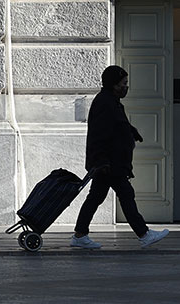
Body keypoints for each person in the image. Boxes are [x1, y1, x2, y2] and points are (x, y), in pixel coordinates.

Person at [70, 65, 169, 249]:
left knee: (96, 197)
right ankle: (144, 234)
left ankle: (80, 234)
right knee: (125, 194)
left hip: (110, 162)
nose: (126, 87)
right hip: (110, 163)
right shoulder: (105, 103)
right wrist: (101, 161)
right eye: (123, 83)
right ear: (113, 84)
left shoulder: (111, 101)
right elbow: (99, 134)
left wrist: (131, 132)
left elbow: (117, 125)